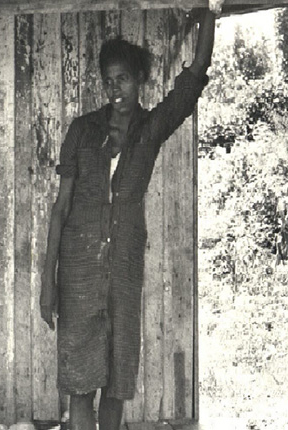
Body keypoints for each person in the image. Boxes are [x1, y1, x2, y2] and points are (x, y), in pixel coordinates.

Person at [40, 7, 219, 430]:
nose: (114, 88)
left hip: (123, 273)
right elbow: (60, 208)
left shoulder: (150, 130)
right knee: (81, 382)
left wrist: (208, 18)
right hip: (79, 275)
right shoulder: (82, 132)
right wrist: (47, 281)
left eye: (122, 78)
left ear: (139, 80)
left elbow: (192, 81)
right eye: (108, 80)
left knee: (117, 383)